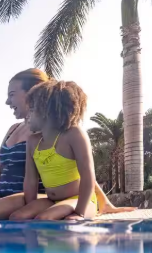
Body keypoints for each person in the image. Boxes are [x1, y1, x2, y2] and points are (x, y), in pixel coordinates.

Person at [0, 68, 133, 223]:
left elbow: (82, 172)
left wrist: (101, 203)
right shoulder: (19, 132)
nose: (7, 101)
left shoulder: (57, 132)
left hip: (40, 197)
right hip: (9, 198)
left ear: (35, 95)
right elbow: (0, 168)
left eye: (12, 95)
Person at [12, 80, 97, 221]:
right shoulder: (33, 142)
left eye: (31, 110)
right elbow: (31, 180)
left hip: (80, 200)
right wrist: (30, 208)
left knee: (46, 218)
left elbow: (88, 175)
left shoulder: (73, 134)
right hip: (51, 200)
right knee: (17, 217)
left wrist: (79, 213)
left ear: (46, 112)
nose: (27, 115)